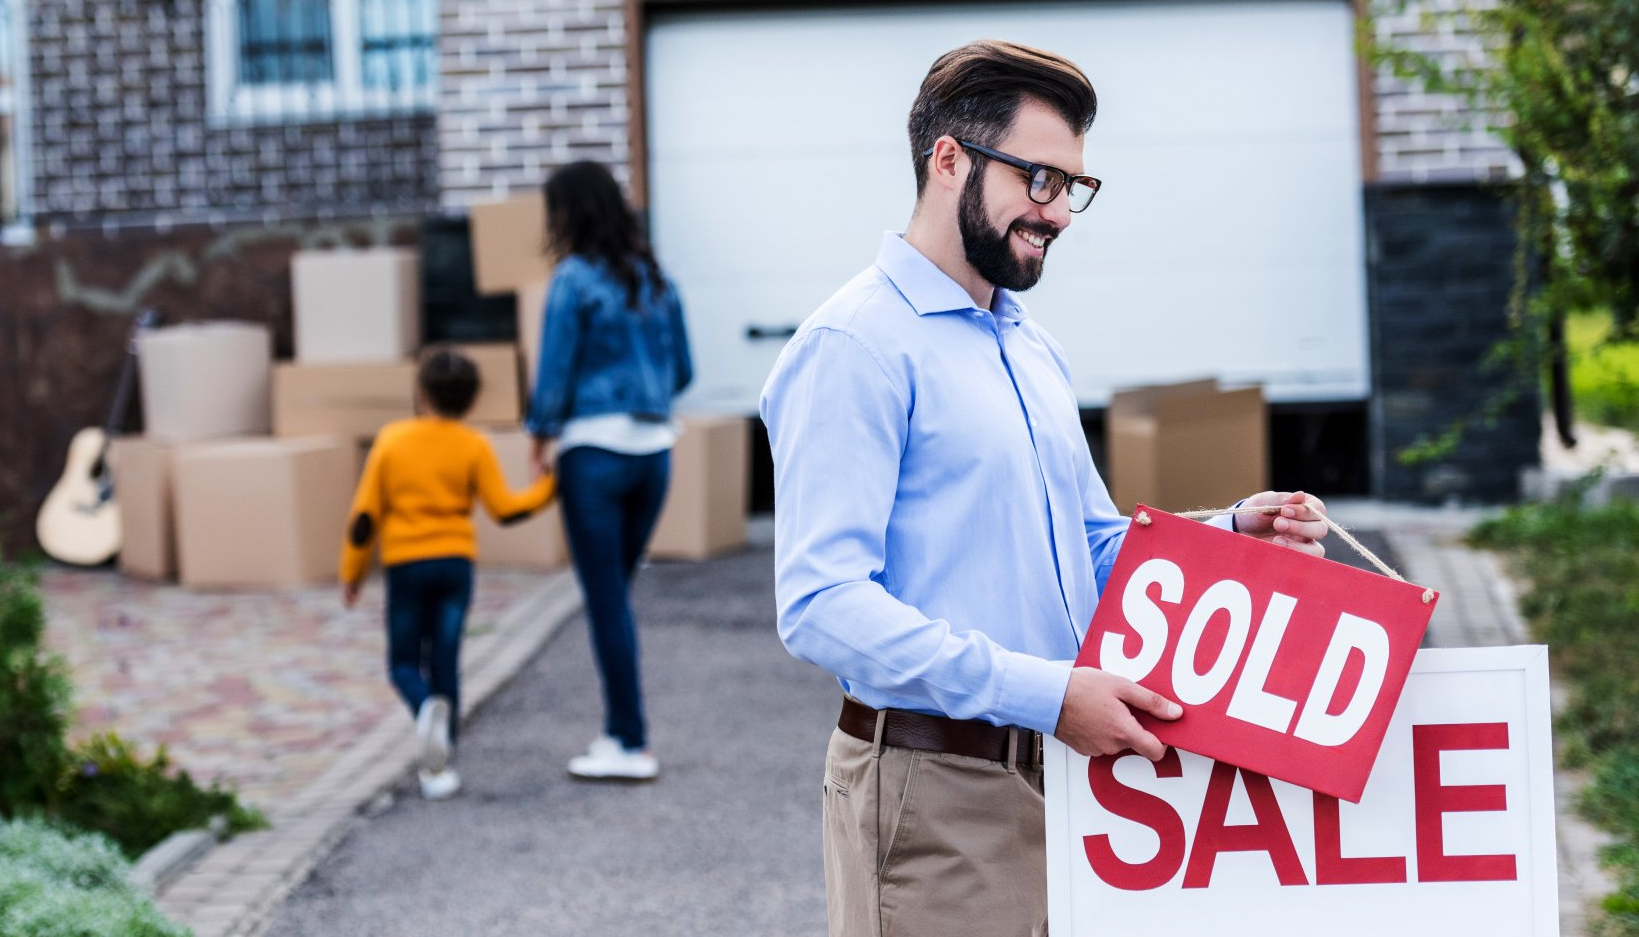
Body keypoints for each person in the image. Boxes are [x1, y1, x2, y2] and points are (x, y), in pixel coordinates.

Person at [758, 40, 1332, 936]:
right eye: (1038, 179)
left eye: (1072, 188)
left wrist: (1227, 534)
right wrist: (1047, 693)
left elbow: (1089, 543)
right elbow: (822, 604)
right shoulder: (855, 347)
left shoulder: (1025, 343)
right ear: (947, 160)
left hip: (1069, 781)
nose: (1058, 212)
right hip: (933, 791)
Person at [525, 160, 694, 782]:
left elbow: (554, 372)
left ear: (567, 212)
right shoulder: (655, 278)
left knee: (606, 603)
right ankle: (622, 734)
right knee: (614, 597)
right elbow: (683, 372)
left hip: (592, 454)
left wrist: (540, 434)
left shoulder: (571, 279)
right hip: (653, 455)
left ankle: (627, 740)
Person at [341, 348, 556, 801]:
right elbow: (505, 510)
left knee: (403, 663)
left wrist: (352, 574)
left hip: (406, 565)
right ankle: (440, 765)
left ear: (420, 393)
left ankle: (424, 713)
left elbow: (364, 517)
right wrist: (549, 485)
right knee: (445, 662)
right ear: (472, 401)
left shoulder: (392, 440)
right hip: (455, 566)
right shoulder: (473, 444)